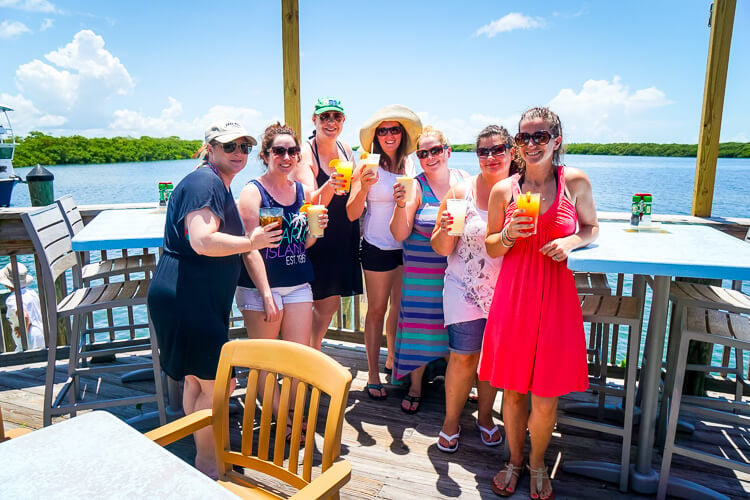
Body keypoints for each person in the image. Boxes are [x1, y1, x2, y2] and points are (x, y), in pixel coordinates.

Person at [148, 120, 282, 478]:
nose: (239, 153)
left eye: (245, 147)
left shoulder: (213, 183)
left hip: (190, 296)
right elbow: (202, 240)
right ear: (210, 148)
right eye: (230, 146)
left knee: (197, 381)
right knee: (216, 381)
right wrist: (253, 242)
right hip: (188, 297)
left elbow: (236, 243)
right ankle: (210, 463)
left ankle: (203, 457)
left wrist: (265, 291)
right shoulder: (206, 183)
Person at [481, 107, 598, 499]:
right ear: (517, 144)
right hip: (514, 300)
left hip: (556, 300)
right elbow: (492, 247)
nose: (531, 144)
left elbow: (591, 226)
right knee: (513, 392)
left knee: (545, 397)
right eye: (525, 137)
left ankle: (537, 463)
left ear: (556, 141)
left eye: (540, 136)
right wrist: (510, 233)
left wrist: (572, 240)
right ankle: (514, 461)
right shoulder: (504, 190)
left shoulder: (575, 182)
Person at [430, 125, 518, 452]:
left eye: (498, 149)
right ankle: (451, 421)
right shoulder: (459, 193)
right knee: (463, 357)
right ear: (476, 156)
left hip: (507, 292)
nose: (491, 157)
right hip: (463, 287)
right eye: (484, 151)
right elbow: (440, 247)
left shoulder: (522, 192)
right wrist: (444, 231)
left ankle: (484, 417)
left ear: (512, 151)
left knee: (493, 361)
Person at [389, 126, 467, 414]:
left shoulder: (464, 180)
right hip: (421, 275)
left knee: (454, 330)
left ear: (447, 151)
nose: (430, 157)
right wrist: (399, 205)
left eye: (436, 150)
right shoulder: (416, 186)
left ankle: (456, 383)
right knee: (419, 329)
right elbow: (399, 233)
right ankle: (416, 386)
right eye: (423, 153)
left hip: (456, 272)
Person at [347, 104, 421, 400]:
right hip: (377, 247)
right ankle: (373, 374)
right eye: (383, 130)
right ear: (376, 136)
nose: (389, 135)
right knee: (376, 311)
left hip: (406, 247)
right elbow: (352, 213)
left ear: (402, 135)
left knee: (399, 310)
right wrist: (363, 188)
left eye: (394, 130)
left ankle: (392, 360)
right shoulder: (366, 164)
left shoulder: (411, 165)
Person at [236, 122, 327, 346]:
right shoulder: (253, 191)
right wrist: (266, 295)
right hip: (261, 289)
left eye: (293, 151)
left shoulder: (303, 192)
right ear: (265, 156)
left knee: (296, 361)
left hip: (298, 283)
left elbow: (302, 244)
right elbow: (250, 249)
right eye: (279, 151)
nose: (287, 157)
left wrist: (317, 230)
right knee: (265, 366)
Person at [290, 97, 362, 349]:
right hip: (316, 236)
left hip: (343, 236)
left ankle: (311, 348)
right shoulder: (305, 153)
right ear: (315, 120)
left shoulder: (345, 149)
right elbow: (308, 200)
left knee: (328, 306)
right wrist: (330, 185)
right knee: (311, 303)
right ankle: (309, 352)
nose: (331, 122)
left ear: (343, 121)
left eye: (336, 117)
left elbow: (353, 191)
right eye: (324, 117)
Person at [0, 263, 44, 351]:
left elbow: (25, 315)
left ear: (7, 284)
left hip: (27, 338)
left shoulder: (12, 299)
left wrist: (23, 330)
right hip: (41, 333)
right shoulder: (32, 292)